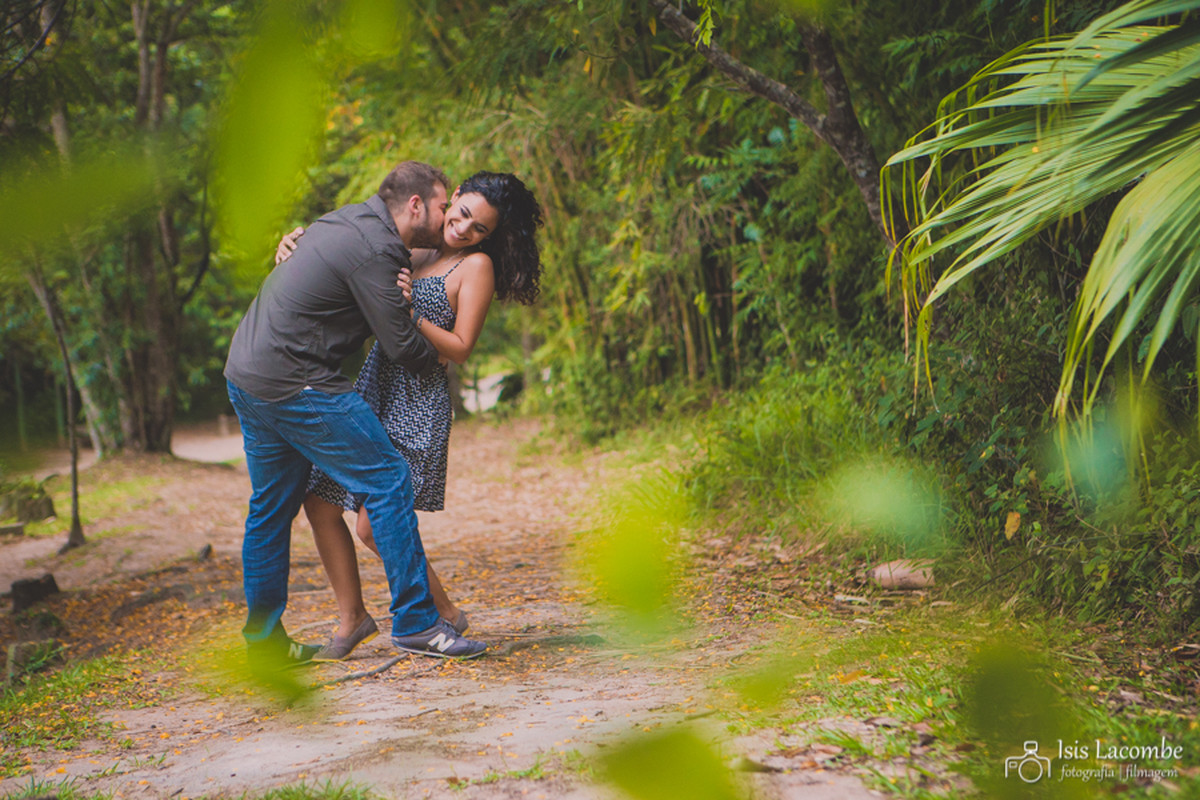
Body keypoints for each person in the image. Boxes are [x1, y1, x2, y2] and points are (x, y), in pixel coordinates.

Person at [224, 160, 488, 667]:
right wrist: (436, 350)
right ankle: (417, 623)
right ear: (415, 206)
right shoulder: (379, 251)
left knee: (271, 508)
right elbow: (403, 346)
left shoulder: (340, 220)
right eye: (441, 207)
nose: (447, 216)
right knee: (388, 479)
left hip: (247, 371)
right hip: (295, 379)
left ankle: (262, 645)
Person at [274, 171, 543, 661]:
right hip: (374, 384)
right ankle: (353, 618)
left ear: (490, 236)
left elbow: (460, 349)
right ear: (452, 197)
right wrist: (296, 244)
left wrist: (406, 313)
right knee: (319, 502)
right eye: (461, 215)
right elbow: (353, 242)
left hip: (418, 397)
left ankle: (443, 613)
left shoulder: (475, 267)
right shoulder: (416, 248)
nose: (463, 230)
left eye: (479, 228)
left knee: (374, 524)